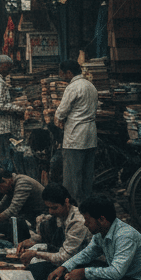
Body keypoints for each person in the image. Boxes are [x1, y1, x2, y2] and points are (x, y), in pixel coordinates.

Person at [16, 182, 89, 280]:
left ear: (66, 202)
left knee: (33, 273)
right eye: (49, 208)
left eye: (54, 208)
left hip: (80, 264)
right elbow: (44, 236)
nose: (51, 211)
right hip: (65, 260)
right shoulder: (60, 216)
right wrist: (29, 242)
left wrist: (35, 253)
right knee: (30, 271)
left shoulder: (77, 222)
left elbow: (64, 257)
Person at [55, 59, 98, 205]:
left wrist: (57, 118)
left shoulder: (73, 87)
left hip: (75, 138)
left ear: (68, 72)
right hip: (90, 136)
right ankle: (86, 211)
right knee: (86, 179)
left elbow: (61, 112)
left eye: (62, 73)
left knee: (72, 180)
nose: (61, 76)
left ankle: (73, 211)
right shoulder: (90, 86)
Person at [0, 169, 45, 239]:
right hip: (31, 215)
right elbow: (0, 205)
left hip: (42, 217)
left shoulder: (22, 183)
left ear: (5, 180)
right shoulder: (11, 185)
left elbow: (11, 212)